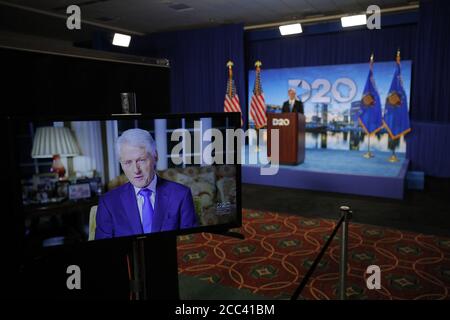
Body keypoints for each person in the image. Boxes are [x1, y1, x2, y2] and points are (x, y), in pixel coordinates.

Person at [95, 128, 198, 239]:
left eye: (141, 160)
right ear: (121, 164)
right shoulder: (108, 202)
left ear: (155, 156)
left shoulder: (181, 195)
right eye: (128, 162)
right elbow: (103, 250)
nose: (136, 170)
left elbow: (190, 244)